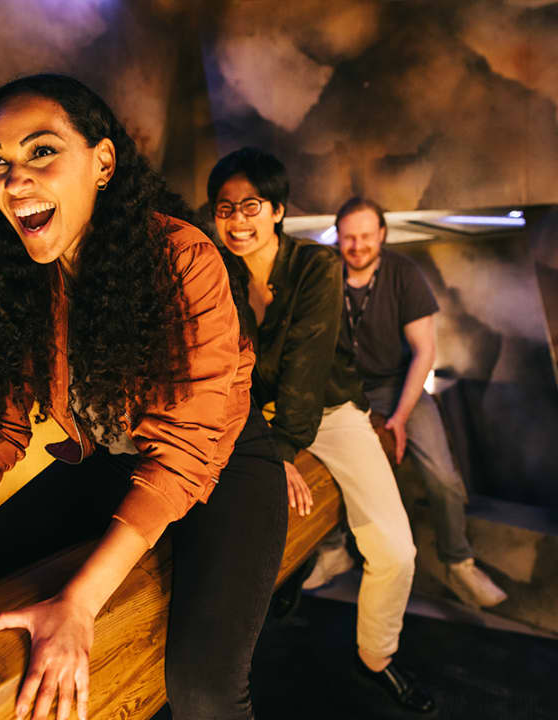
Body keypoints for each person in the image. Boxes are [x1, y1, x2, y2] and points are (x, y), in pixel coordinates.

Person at [0, 75, 288, 720]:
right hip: (115, 461)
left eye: (42, 151)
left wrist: (78, 604)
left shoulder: (182, 255)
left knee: (205, 692)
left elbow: (185, 450)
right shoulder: (22, 277)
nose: (14, 179)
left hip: (223, 461)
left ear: (103, 163)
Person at [208, 147, 435, 714]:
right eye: (225, 208)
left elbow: (307, 371)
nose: (237, 221)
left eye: (251, 206)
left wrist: (280, 450)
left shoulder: (316, 266)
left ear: (278, 210)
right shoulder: (216, 274)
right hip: (248, 415)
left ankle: (375, 656)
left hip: (329, 410)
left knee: (395, 550)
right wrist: (258, 440)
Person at [335, 196, 507, 609]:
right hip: (345, 389)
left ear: (382, 234)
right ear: (337, 237)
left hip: (400, 385)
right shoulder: (325, 275)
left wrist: (400, 417)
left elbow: (425, 351)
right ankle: (332, 551)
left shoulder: (403, 273)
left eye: (366, 236)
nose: (357, 246)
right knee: (329, 467)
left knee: (443, 476)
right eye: (349, 237)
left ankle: (458, 562)